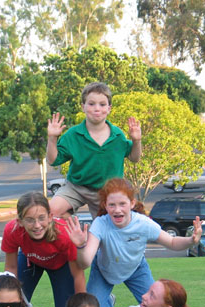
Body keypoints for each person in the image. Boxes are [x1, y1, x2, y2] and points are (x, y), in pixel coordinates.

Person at [66, 178, 202, 307]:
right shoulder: (100, 224)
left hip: (135, 268)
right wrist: (80, 246)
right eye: (111, 205)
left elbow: (172, 242)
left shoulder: (142, 223)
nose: (117, 210)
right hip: (104, 270)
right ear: (105, 205)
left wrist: (191, 240)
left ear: (132, 203)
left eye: (122, 204)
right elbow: (85, 262)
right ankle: (107, 302)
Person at [46, 81, 142, 218]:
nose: (97, 108)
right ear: (83, 107)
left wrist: (136, 140)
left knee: (110, 226)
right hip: (76, 187)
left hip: (106, 191)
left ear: (109, 108)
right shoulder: (73, 134)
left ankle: (95, 231)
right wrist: (52, 138)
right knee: (50, 212)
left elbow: (134, 158)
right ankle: (73, 228)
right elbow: (52, 160)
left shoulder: (117, 135)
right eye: (91, 104)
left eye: (102, 104)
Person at [2, 191, 86, 307]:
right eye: (30, 220)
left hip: (61, 265)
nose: (37, 225)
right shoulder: (12, 230)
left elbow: (78, 275)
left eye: (41, 218)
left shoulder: (64, 234)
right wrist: (8, 299)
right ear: (20, 221)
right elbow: (11, 268)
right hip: (30, 260)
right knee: (14, 305)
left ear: (50, 217)